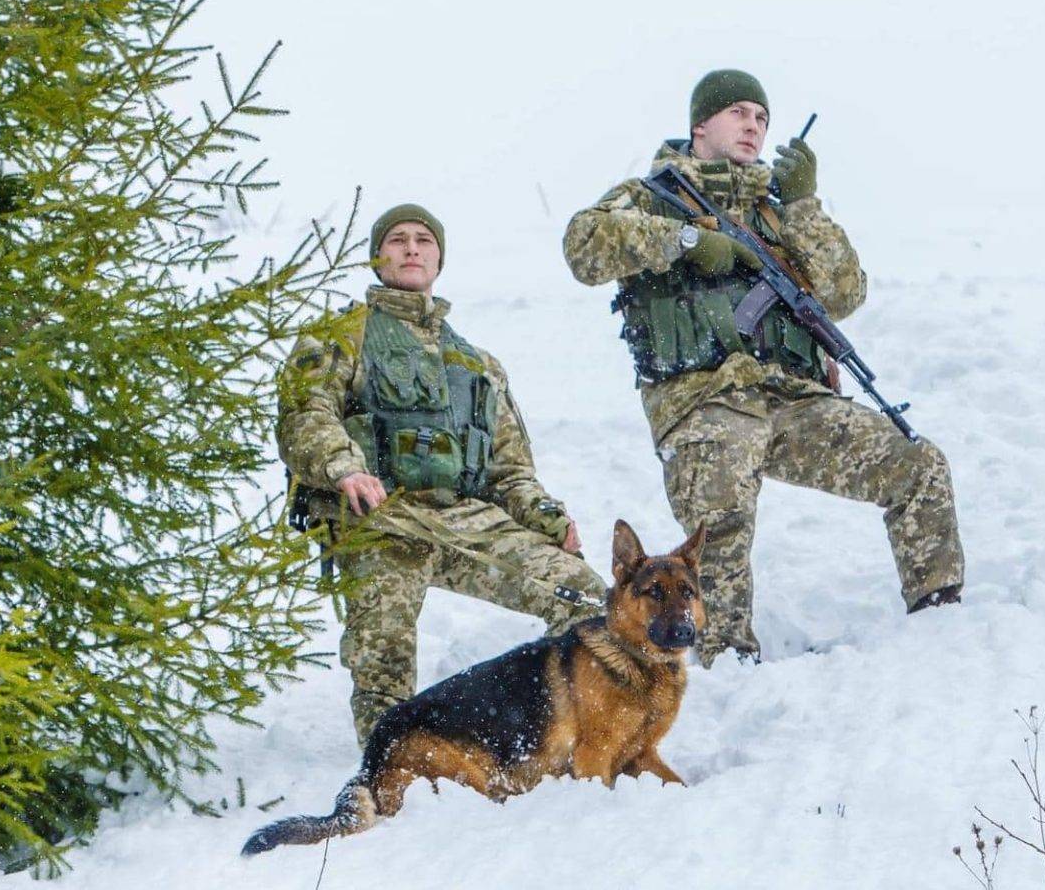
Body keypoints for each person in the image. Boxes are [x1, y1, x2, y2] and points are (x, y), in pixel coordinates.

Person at [562, 69, 965, 666]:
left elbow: (845, 291)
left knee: (918, 462)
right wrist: (688, 243)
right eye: (739, 113)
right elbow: (583, 244)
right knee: (718, 517)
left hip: (793, 399)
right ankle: (728, 664)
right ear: (701, 124)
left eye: (762, 118)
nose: (754, 126)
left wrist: (803, 203)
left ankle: (942, 624)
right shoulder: (651, 195)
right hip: (703, 400)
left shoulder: (774, 214)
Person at [278, 204, 606, 743]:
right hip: (381, 520)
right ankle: (388, 767)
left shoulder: (476, 363)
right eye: (398, 239)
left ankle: (557, 733)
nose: (411, 249)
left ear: (439, 258)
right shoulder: (338, 338)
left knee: (587, 599)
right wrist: (345, 471)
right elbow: (305, 416)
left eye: (424, 240)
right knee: (382, 651)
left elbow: (509, 467)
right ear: (376, 256)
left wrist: (548, 519)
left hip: (464, 520)